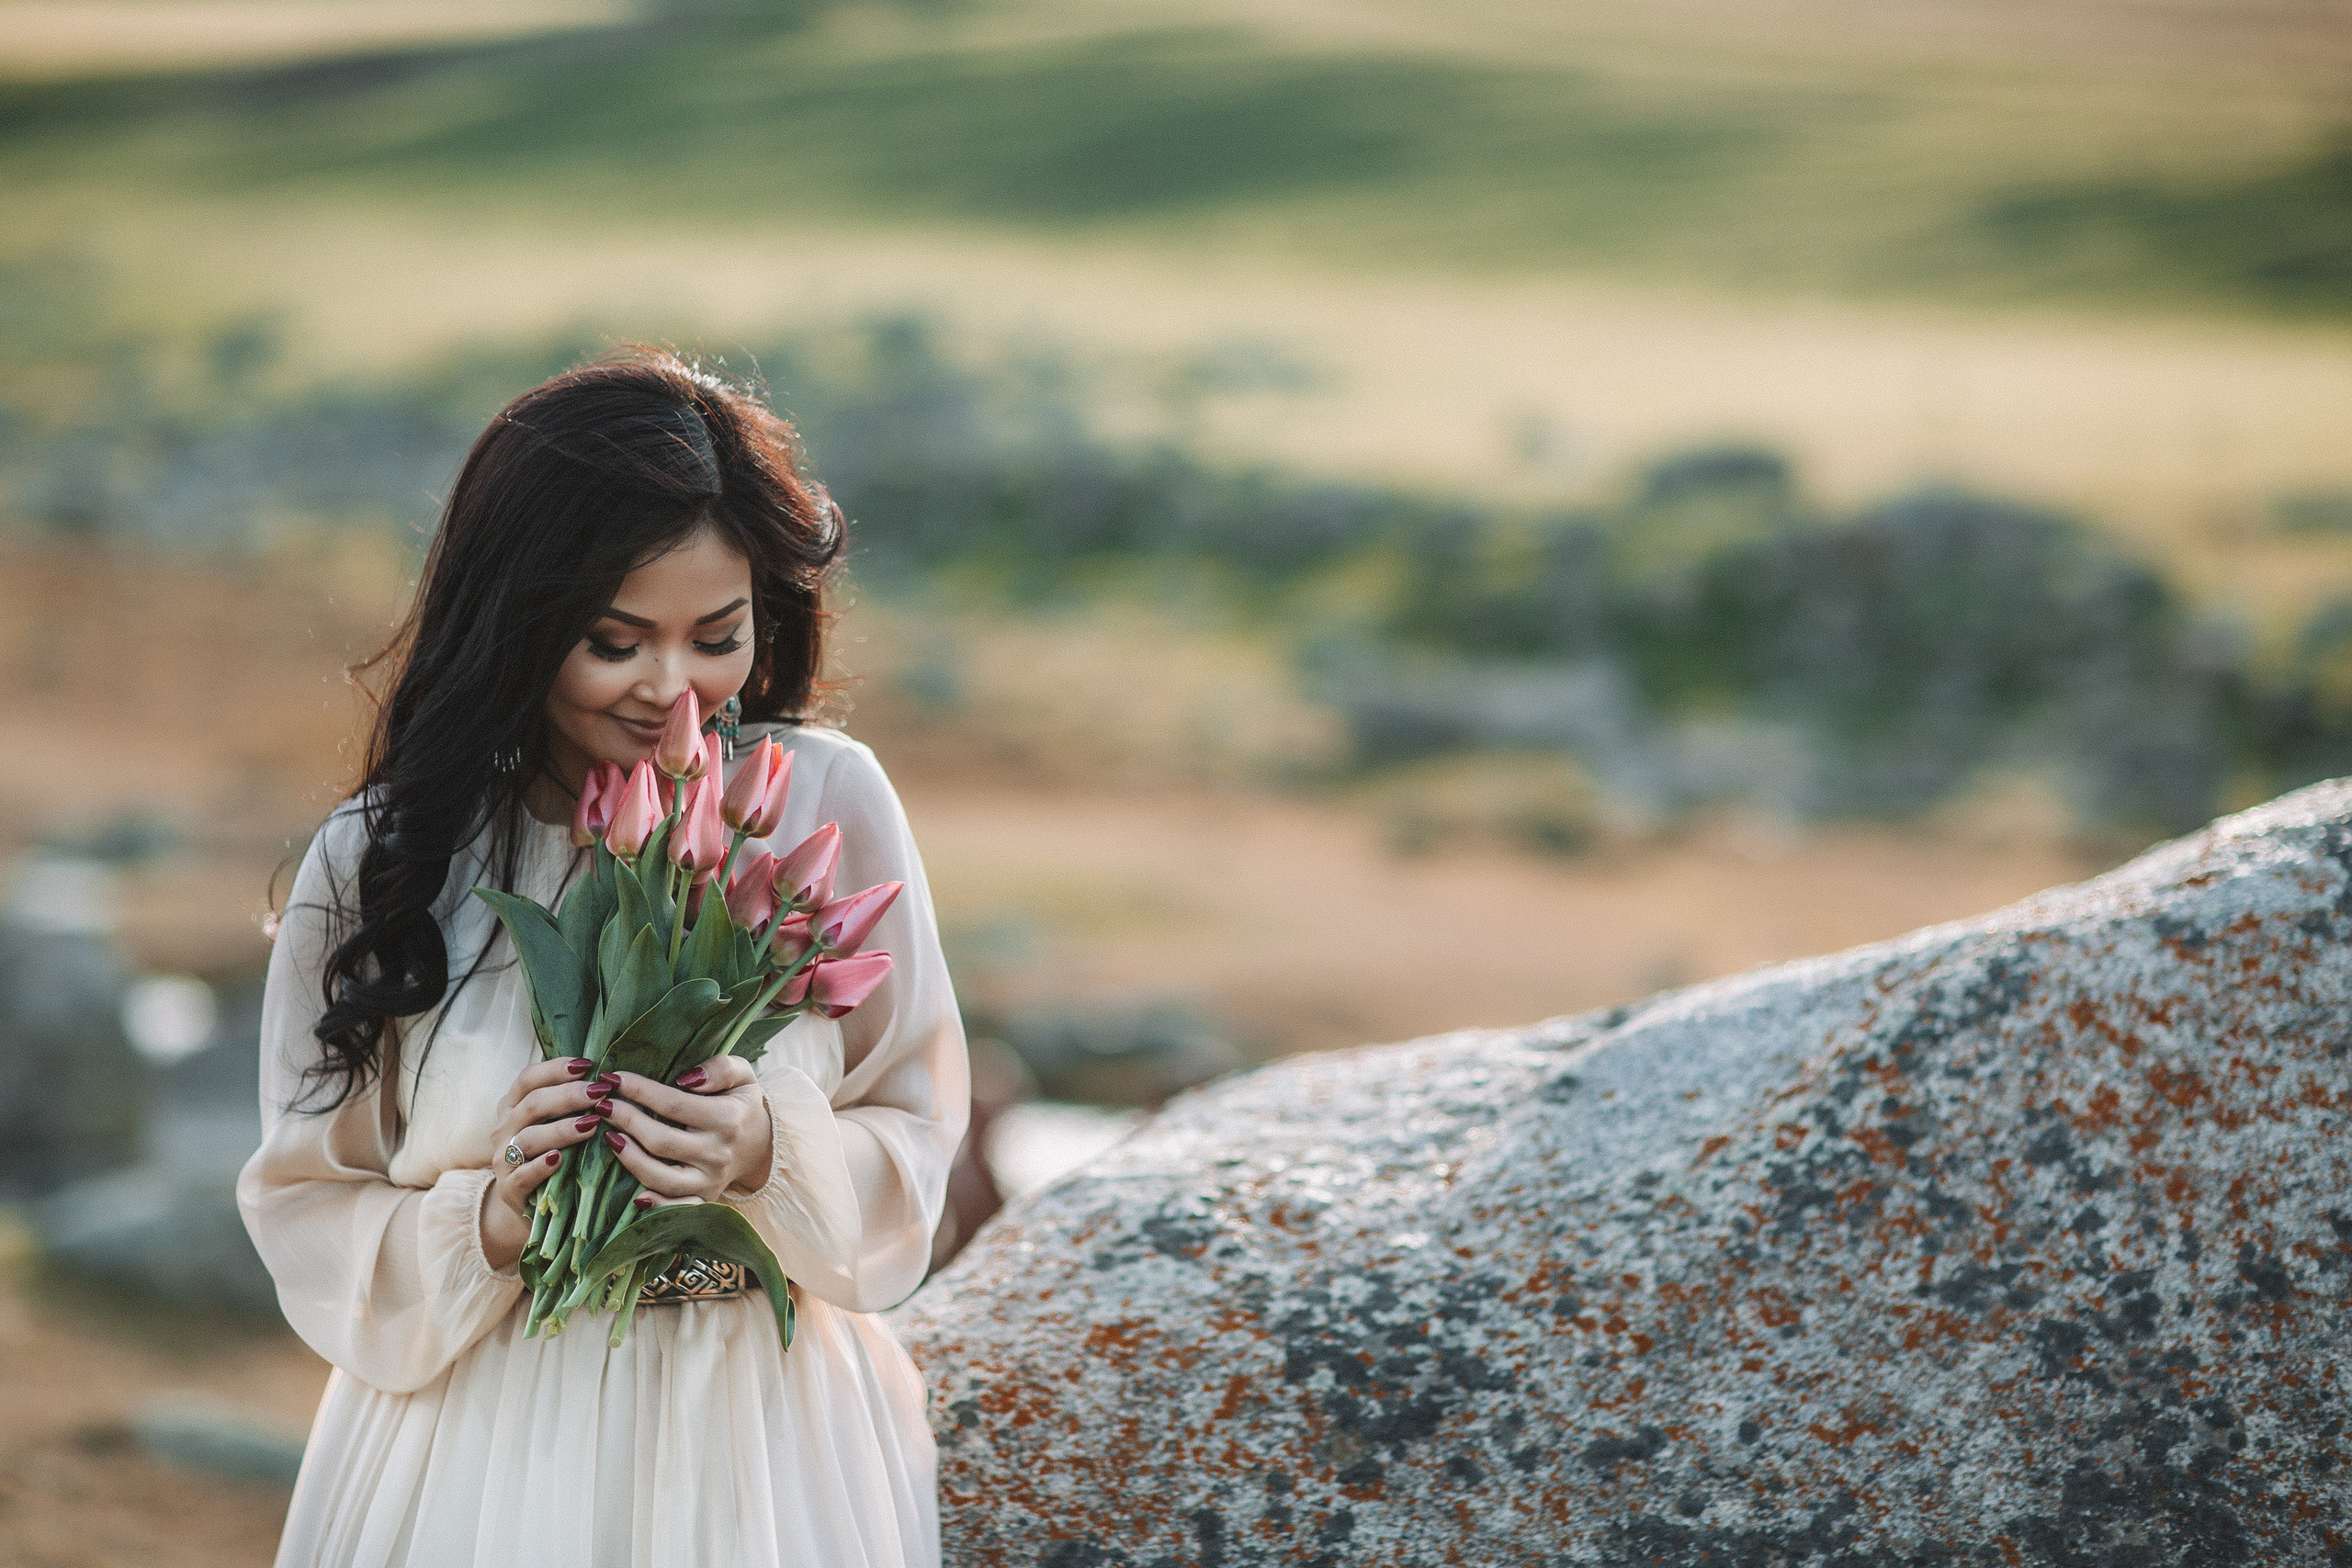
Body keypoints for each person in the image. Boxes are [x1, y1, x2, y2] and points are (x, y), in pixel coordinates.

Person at [236, 350, 969, 1568]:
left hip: (767, 1444)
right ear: (518, 625)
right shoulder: (391, 857)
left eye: (715, 637)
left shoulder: (819, 804)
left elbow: (917, 1140)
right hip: (481, 1453)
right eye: (613, 643)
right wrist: (494, 1215)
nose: (673, 692)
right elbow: (304, 1198)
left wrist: (766, 1151)